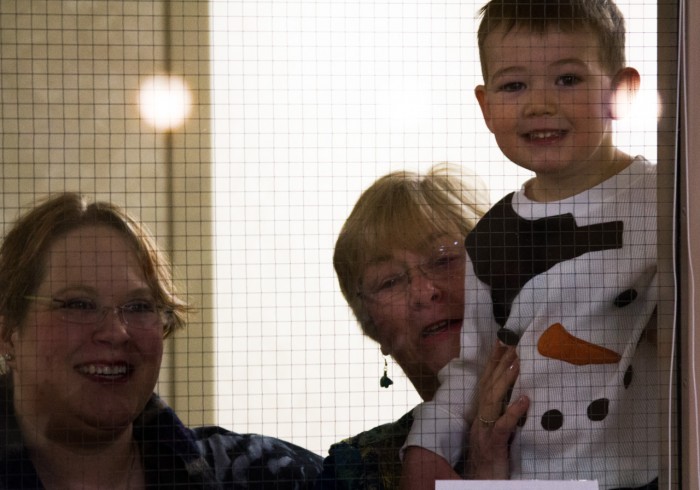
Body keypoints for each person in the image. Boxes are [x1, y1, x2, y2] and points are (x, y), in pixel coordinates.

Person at [400, 0, 659, 488]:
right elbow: (473, 365)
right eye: (514, 85)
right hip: (528, 478)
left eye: (567, 79)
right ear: (486, 106)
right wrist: (428, 443)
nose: (540, 104)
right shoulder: (492, 237)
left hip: (646, 474)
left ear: (621, 92)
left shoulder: (668, 199)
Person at [0, 192, 323, 489]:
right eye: (78, 304)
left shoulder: (266, 476)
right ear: (8, 334)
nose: (116, 332)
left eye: (139, 306)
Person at [316, 164, 530, 489]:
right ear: (371, 327)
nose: (423, 293)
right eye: (389, 281)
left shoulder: (586, 416)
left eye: (444, 259)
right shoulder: (354, 470)